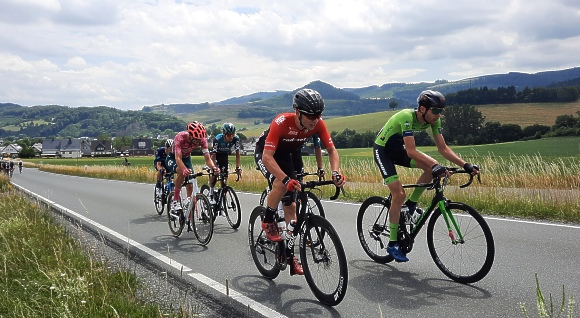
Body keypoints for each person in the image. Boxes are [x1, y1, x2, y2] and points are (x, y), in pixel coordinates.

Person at [373, 90, 480, 262]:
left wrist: (465, 165)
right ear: (422, 109)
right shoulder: (406, 117)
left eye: (441, 111)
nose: (438, 115)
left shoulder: (434, 121)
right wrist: (435, 165)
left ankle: (411, 206)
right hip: (383, 150)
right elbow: (411, 151)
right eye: (435, 111)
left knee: (431, 170)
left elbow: (443, 149)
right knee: (398, 194)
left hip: (399, 149)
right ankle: (393, 243)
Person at [255, 88, 346, 276]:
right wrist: (286, 178)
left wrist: (335, 172)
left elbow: (332, 150)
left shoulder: (318, 124)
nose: (315, 119)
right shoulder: (281, 122)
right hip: (267, 152)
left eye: (318, 114)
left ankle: (288, 254)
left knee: (291, 205)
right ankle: (268, 221)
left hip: (288, 153)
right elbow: (267, 157)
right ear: (297, 111)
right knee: (281, 184)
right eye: (310, 115)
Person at [166, 121, 220, 216]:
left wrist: (214, 168)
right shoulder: (180, 137)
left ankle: (189, 215)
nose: (198, 142)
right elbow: (178, 158)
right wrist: (184, 169)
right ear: (190, 135)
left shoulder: (202, 140)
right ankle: (175, 201)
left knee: (191, 182)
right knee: (182, 173)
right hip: (173, 158)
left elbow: (207, 159)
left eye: (200, 140)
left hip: (186, 158)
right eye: (196, 140)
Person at [209, 123, 242, 210]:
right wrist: (214, 167)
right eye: (228, 135)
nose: (231, 137)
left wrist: (238, 167)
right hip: (216, 156)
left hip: (224, 156)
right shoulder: (217, 139)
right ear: (224, 134)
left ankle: (222, 200)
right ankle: (211, 194)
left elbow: (238, 153)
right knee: (214, 174)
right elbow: (213, 155)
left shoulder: (236, 139)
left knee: (224, 178)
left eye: (232, 134)